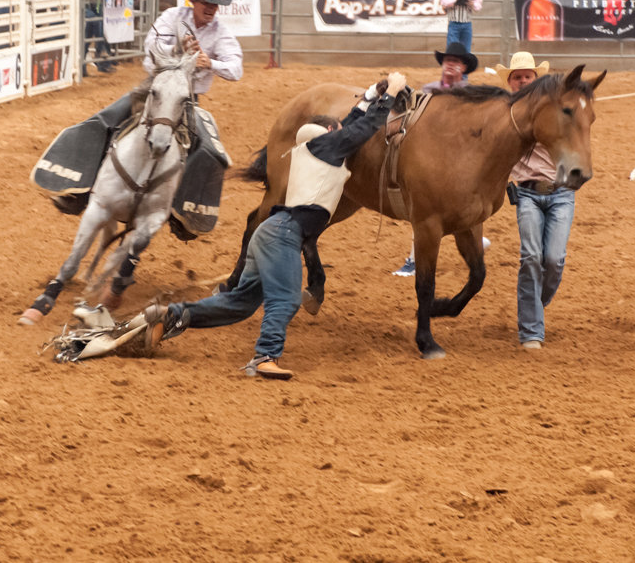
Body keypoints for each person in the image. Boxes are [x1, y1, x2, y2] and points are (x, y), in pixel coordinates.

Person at [103, 73, 411, 378]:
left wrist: (373, 91)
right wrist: (393, 91)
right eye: (339, 125)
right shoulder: (329, 146)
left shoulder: (317, 146)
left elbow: (357, 119)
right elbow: (366, 126)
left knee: (239, 303)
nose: (344, 126)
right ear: (330, 131)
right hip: (284, 236)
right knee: (287, 299)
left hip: (273, 232)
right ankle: (265, 356)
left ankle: (171, 316)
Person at [494, 51, 575, 350]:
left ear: (536, 80)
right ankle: (531, 330)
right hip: (526, 193)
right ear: (511, 83)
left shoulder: (554, 110)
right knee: (531, 256)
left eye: (527, 76)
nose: (522, 80)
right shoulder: (505, 114)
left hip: (561, 193)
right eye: (517, 77)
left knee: (554, 260)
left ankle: (533, 308)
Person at [391, 42, 478, 276]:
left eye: (456, 62)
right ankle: (413, 258)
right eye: (448, 60)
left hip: (457, 159)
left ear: (463, 68)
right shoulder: (427, 90)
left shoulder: (470, 96)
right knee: (426, 208)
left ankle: (414, 260)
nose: (451, 64)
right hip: (431, 155)